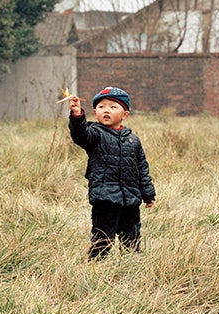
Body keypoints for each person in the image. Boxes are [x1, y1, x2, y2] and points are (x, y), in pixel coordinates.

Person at [66, 86, 156, 260]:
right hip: (105, 198)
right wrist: (77, 114)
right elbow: (80, 135)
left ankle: (130, 265)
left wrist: (148, 194)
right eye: (101, 107)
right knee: (103, 236)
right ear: (95, 112)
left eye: (113, 107)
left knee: (131, 237)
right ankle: (96, 265)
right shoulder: (95, 135)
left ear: (125, 115)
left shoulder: (133, 140)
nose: (106, 110)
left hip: (130, 200)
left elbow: (142, 168)